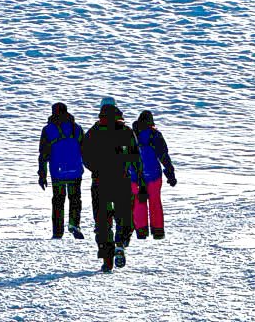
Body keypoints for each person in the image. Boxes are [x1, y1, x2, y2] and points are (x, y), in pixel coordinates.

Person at [81, 99, 143, 272]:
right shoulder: (126, 131)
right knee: (124, 216)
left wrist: (97, 168)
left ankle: (107, 260)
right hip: (121, 180)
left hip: (100, 182)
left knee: (102, 220)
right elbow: (136, 158)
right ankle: (121, 243)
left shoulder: (93, 132)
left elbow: (85, 156)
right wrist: (140, 180)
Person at [37, 102, 85, 239]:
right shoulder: (77, 129)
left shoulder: (48, 130)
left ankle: (57, 232)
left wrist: (42, 175)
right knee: (75, 198)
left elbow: (43, 154)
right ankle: (74, 224)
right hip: (75, 170)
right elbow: (85, 150)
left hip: (57, 172)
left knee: (58, 200)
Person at [130, 110, 177, 240]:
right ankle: (158, 232)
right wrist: (170, 173)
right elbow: (163, 156)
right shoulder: (155, 135)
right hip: (153, 175)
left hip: (135, 176)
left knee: (139, 202)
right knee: (155, 202)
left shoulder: (131, 135)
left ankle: (141, 231)